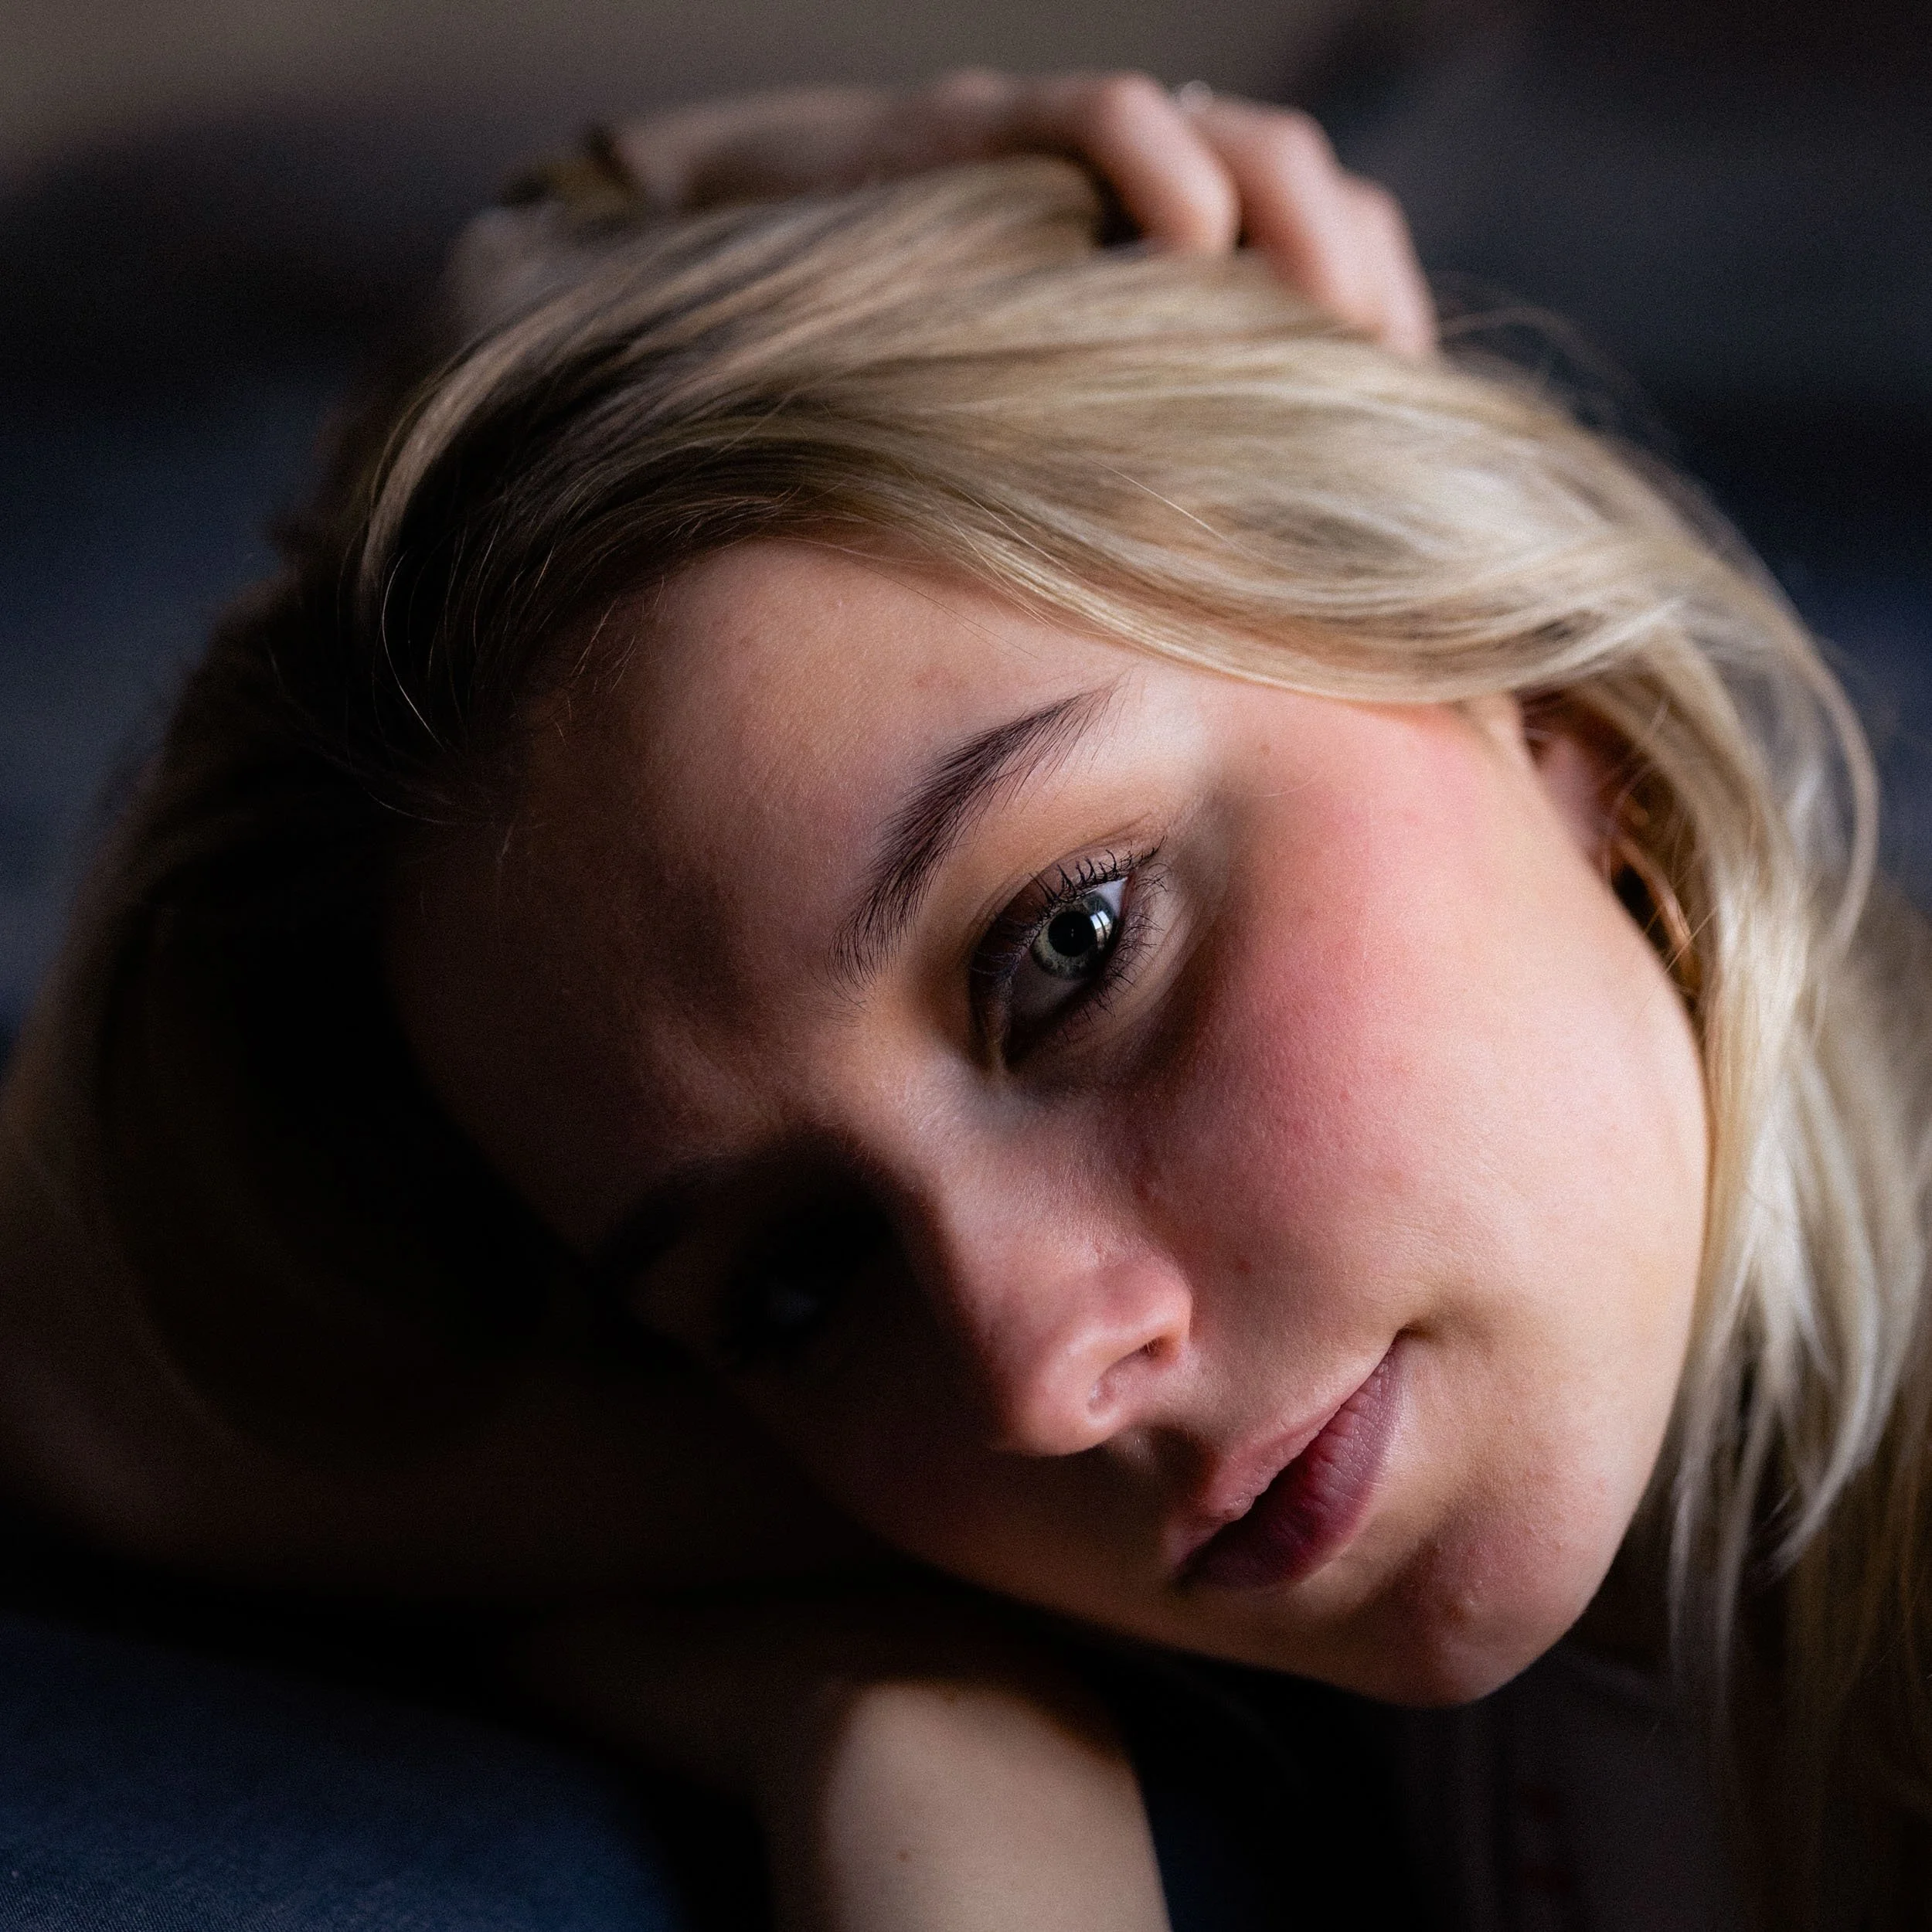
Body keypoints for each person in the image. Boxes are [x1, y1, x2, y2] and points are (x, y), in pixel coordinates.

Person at [0, 69, 1925, 1931]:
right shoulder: (986, 1462)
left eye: (1068, 951)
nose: (1033, 1371)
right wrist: (925, 1738)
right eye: (797, 1276)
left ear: (1523, 679)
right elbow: (104, 1385)